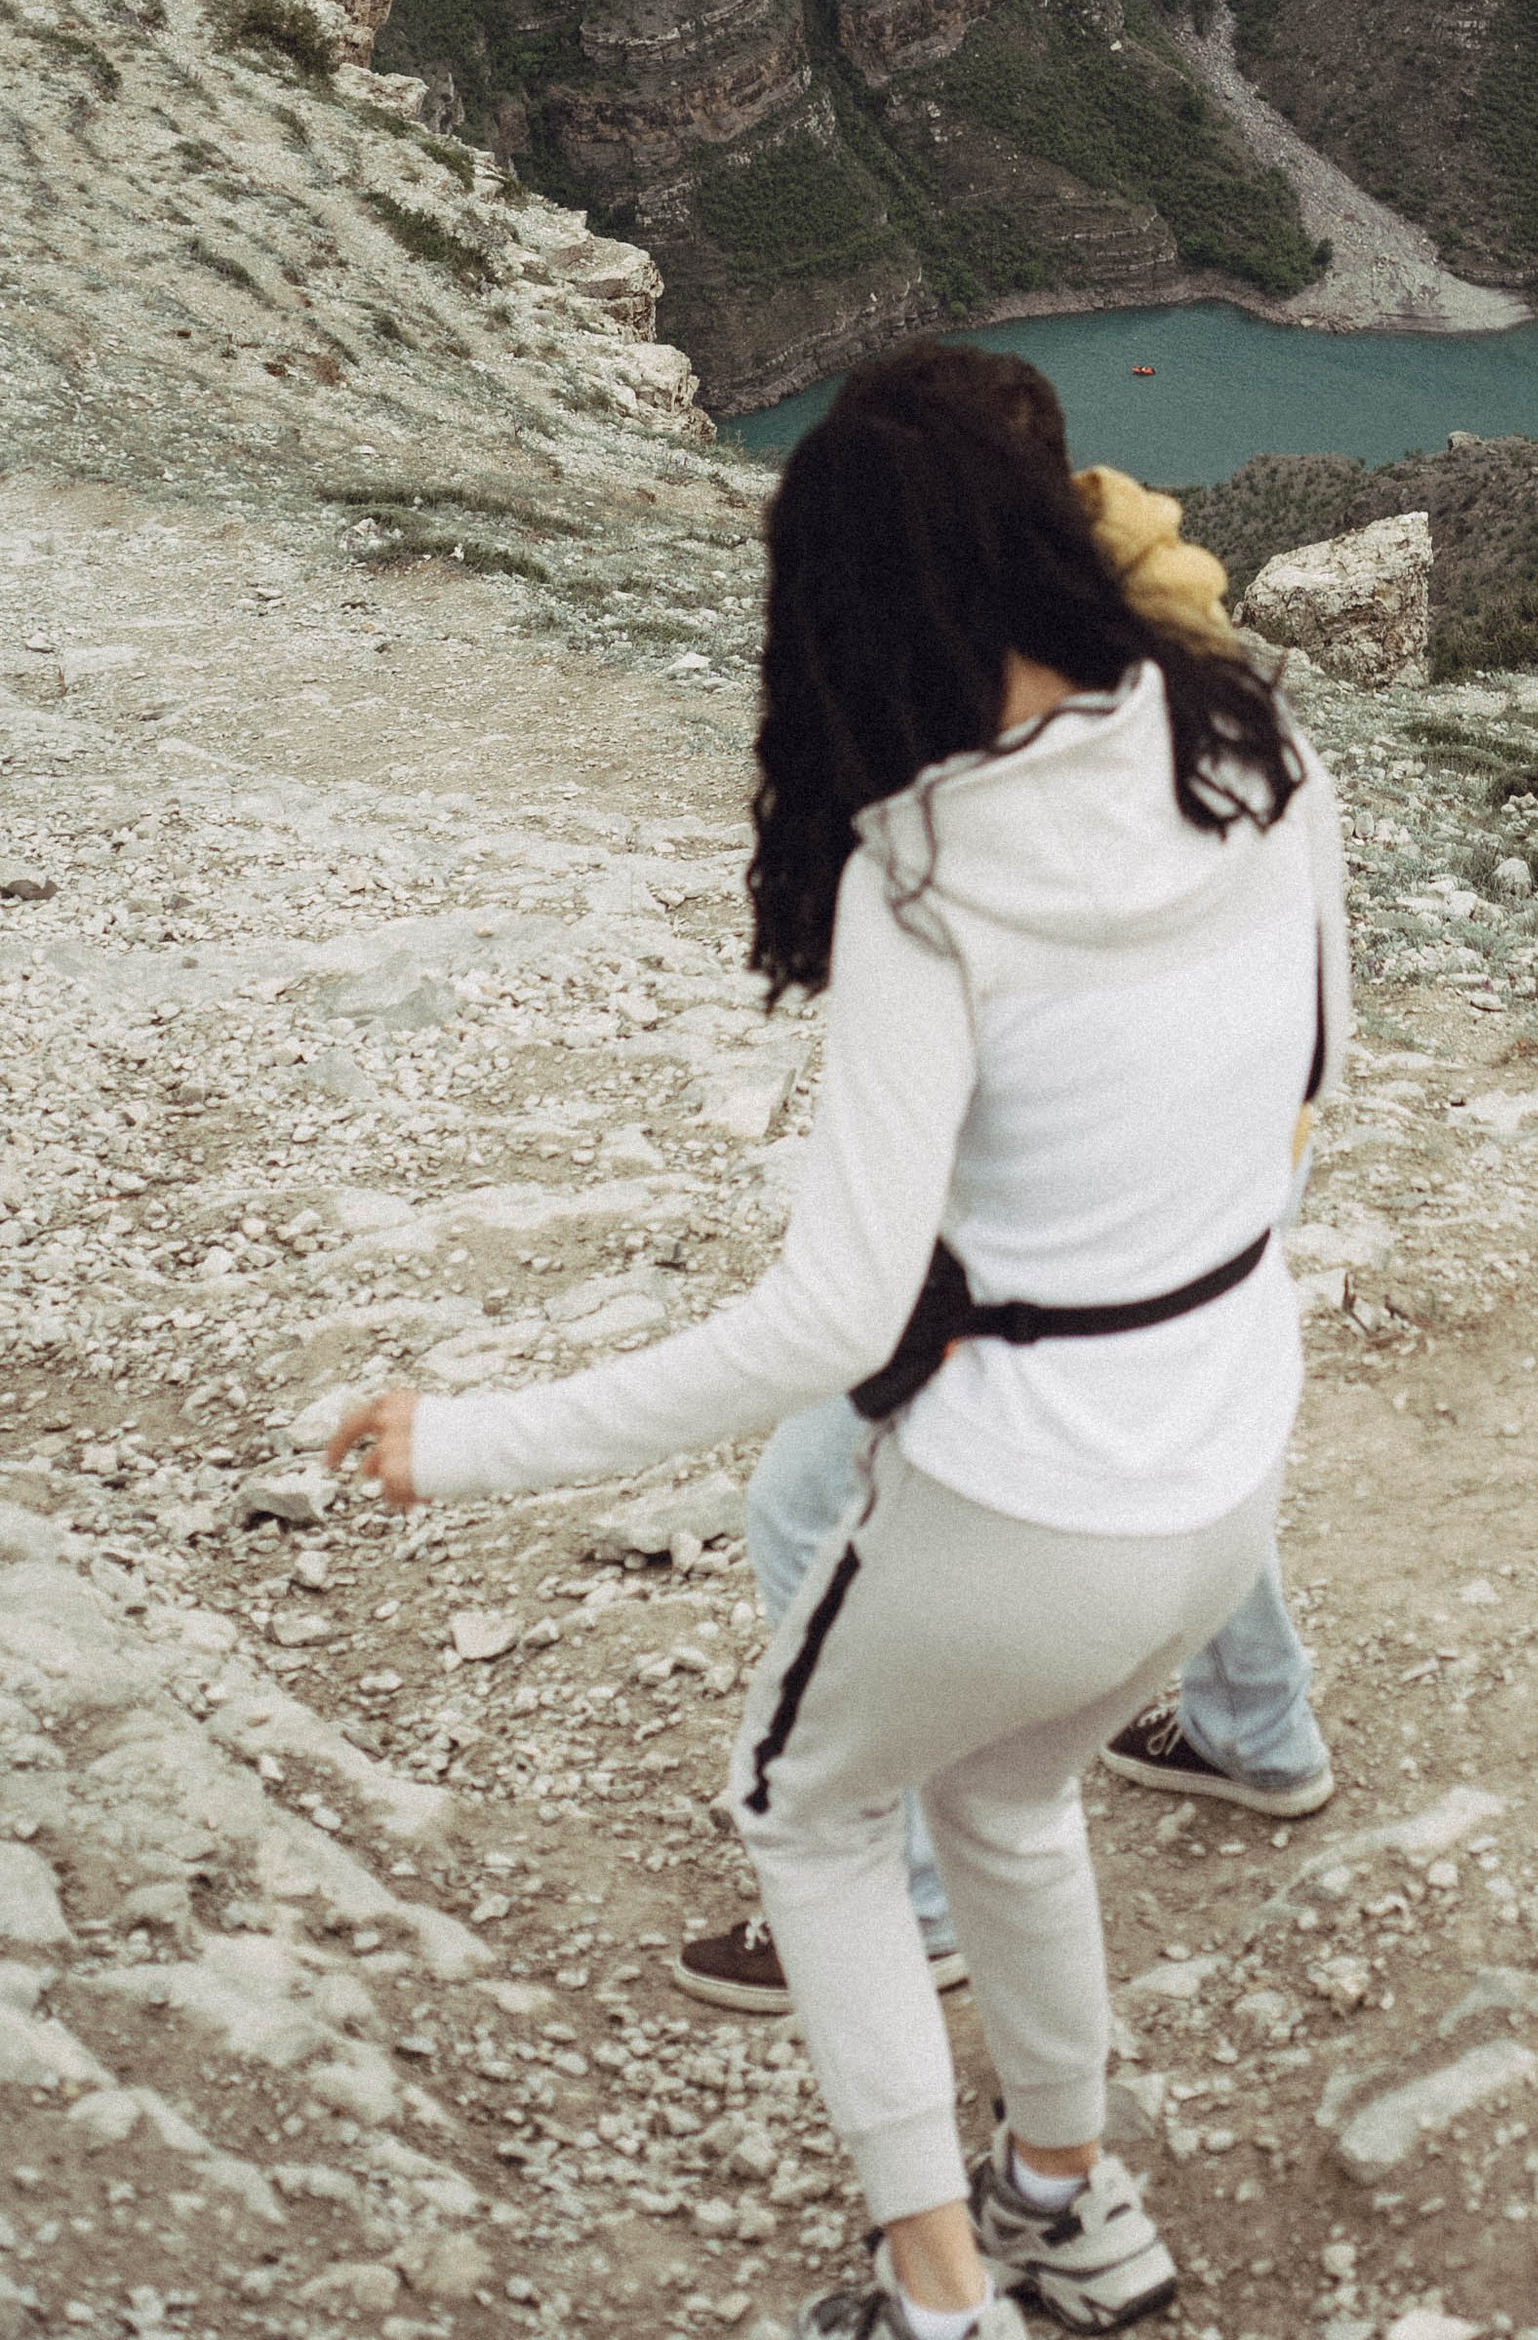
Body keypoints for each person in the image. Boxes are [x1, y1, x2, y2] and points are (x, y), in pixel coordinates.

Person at [330, 341, 1349, 2340]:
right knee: (1006, 1804)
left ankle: (937, 2295)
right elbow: (1314, 1072)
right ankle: (1069, 2202)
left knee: (811, 1814)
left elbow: (829, 1313)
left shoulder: (927, 873)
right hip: (1225, 1461)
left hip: (1016, 1502)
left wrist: (466, 1442)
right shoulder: (1256, 752)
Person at [676, 403, 1335, 2026]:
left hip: (1104, 1187)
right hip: (1238, 1149)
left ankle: (901, 1904)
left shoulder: (983, 676)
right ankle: (1259, 1735)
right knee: (1179, 1412)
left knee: (798, 1502)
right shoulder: (1164, 634)